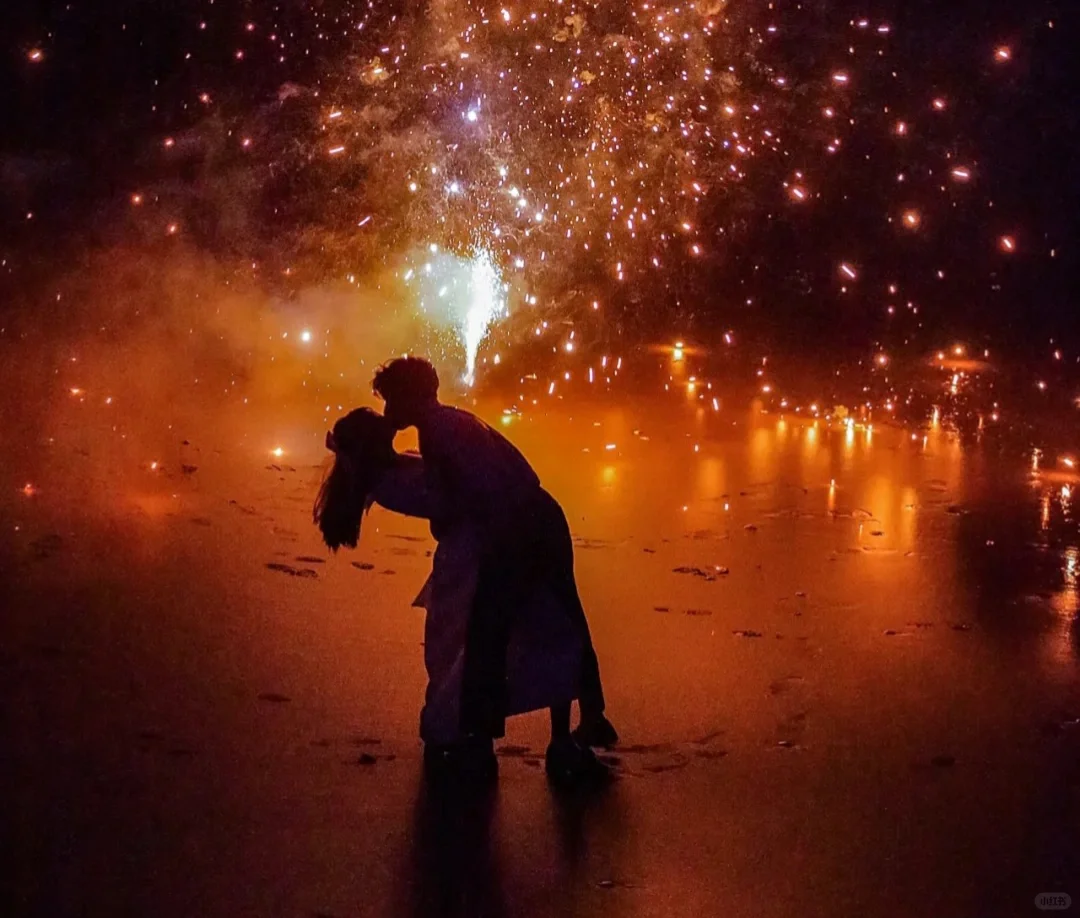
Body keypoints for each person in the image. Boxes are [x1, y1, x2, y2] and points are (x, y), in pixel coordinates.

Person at [314, 406, 613, 784]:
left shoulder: (404, 463)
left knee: (478, 651)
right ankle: (477, 735)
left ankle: (484, 735)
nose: (391, 416)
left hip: (481, 554)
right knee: (472, 655)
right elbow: (451, 500)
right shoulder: (397, 476)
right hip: (475, 560)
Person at [371, 357, 618, 769]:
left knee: (497, 632)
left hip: (519, 529)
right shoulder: (454, 421)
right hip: (541, 515)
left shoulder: (437, 433)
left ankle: (480, 735)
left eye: (390, 400)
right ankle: (576, 729)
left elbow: (452, 499)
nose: (386, 410)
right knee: (557, 618)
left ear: (409, 398)